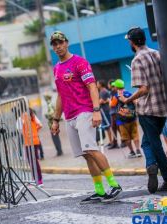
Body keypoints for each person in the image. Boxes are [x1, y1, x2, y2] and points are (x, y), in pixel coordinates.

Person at [49, 31, 122, 204]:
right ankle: (99, 191)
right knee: (85, 154)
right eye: (54, 44)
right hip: (70, 116)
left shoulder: (80, 62)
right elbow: (60, 95)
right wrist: (55, 120)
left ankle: (114, 184)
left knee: (91, 149)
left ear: (67, 43)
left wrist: (96, 110)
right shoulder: (57, 68)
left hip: (85, 111)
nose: (58, 46)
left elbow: (92, 87)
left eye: (60, 42)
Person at [119, 27, 167, 193]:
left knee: (154, 144)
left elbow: (144, 89)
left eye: (129, 40)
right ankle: (152, 165)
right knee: (147, 142)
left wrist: (127, 99)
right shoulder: (156, 53)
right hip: (163, 107)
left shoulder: (137, 60)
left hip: (147, 109)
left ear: (132, 42)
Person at [111, 79, 142, 158]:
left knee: (125, 137)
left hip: (121, 121)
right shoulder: (129, 93)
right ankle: (138, 150)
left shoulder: (116, 96)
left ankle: (132, 152)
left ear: (116, 87)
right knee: (135, 134)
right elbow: (135, 102)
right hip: (132, 118)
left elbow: (111, 105)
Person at [21, 108, 43, 185]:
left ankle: (36, 179)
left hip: (28, 142)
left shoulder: (23, 117)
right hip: (35, 141)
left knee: (31, 161)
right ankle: (39, 179)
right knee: (35, 160)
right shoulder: (33, 115)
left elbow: (19, 128)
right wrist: (35, 131)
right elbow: (40, 125)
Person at [97, 80, 113, 146]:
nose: (96, 85)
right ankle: (111, 141)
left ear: (100, 84)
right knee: (107, 127)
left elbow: (99, 102)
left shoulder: (103, 91)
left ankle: (111, 141)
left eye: (97, 84)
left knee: (108, 126)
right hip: (105, 110)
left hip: (105, 110)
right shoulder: (102, 91)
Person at [107, 79, 119, 149]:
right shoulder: (111, 93)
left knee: (119, 127)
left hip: (116, 113)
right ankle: (115, 143)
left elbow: (112, 104)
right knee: (114, 128)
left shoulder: (116, 93)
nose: (114, 87)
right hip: (113, 113)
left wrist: (110, 102)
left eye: (114, 86)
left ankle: (123, 141)